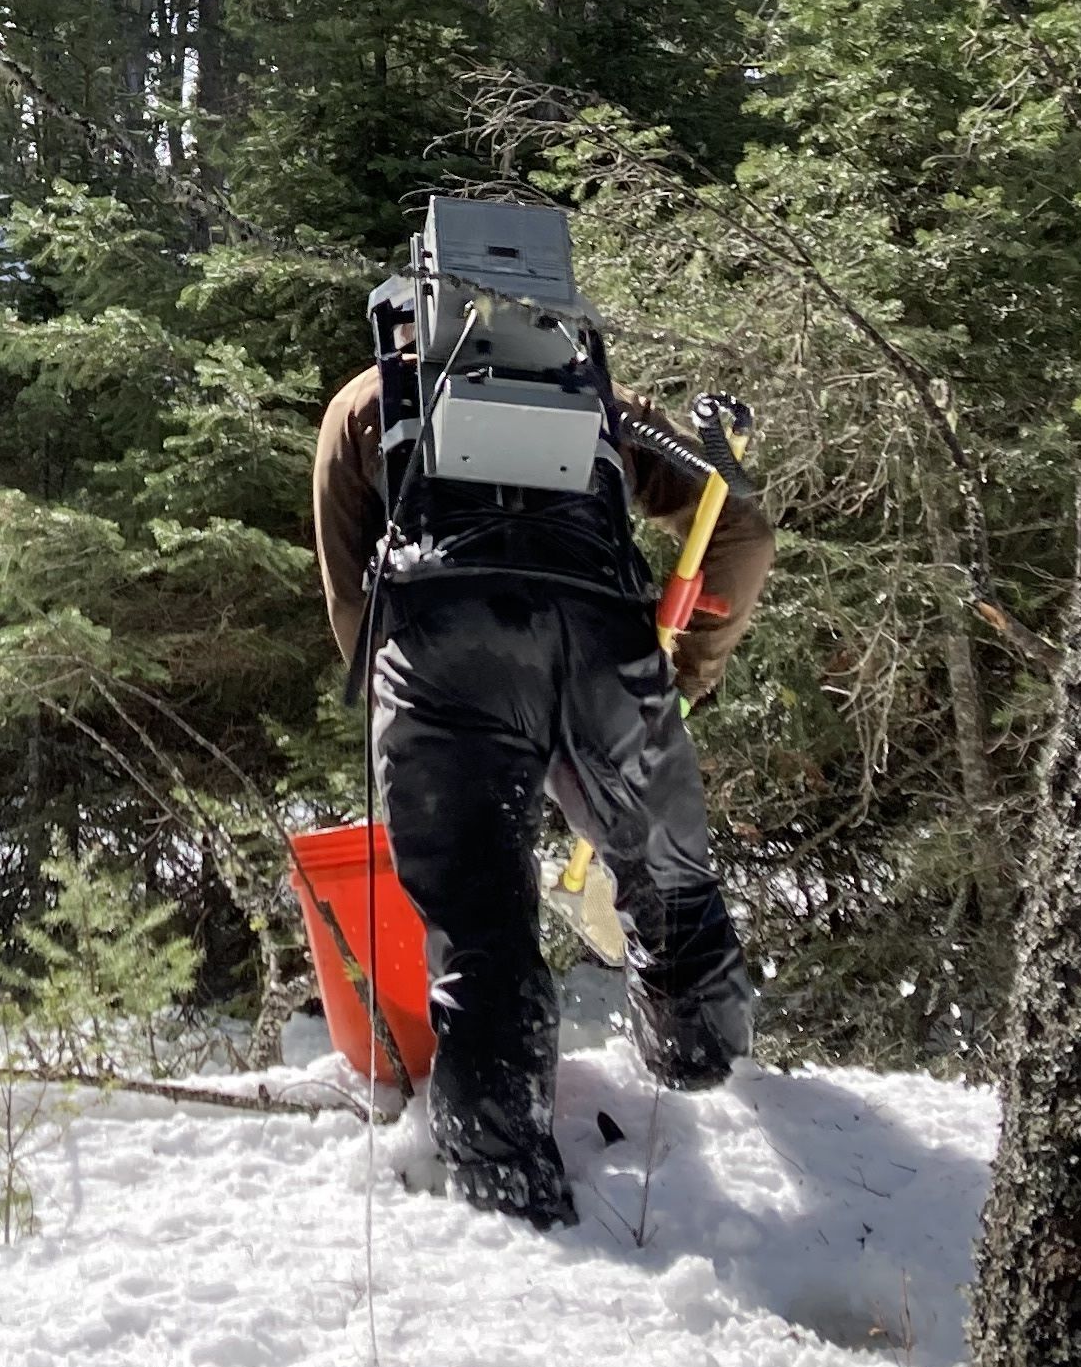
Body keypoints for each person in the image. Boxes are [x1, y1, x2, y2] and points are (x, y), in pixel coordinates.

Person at [311, 204, 776, 1228]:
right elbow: (738, 525)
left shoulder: (362, 404)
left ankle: (511, 1193)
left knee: (483, 931)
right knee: (672, 890)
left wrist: (409, 709)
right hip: (608, 647)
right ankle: (702, 1076)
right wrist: (680, 680)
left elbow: (352, 595)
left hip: (443, 662)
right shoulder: (601, 396)